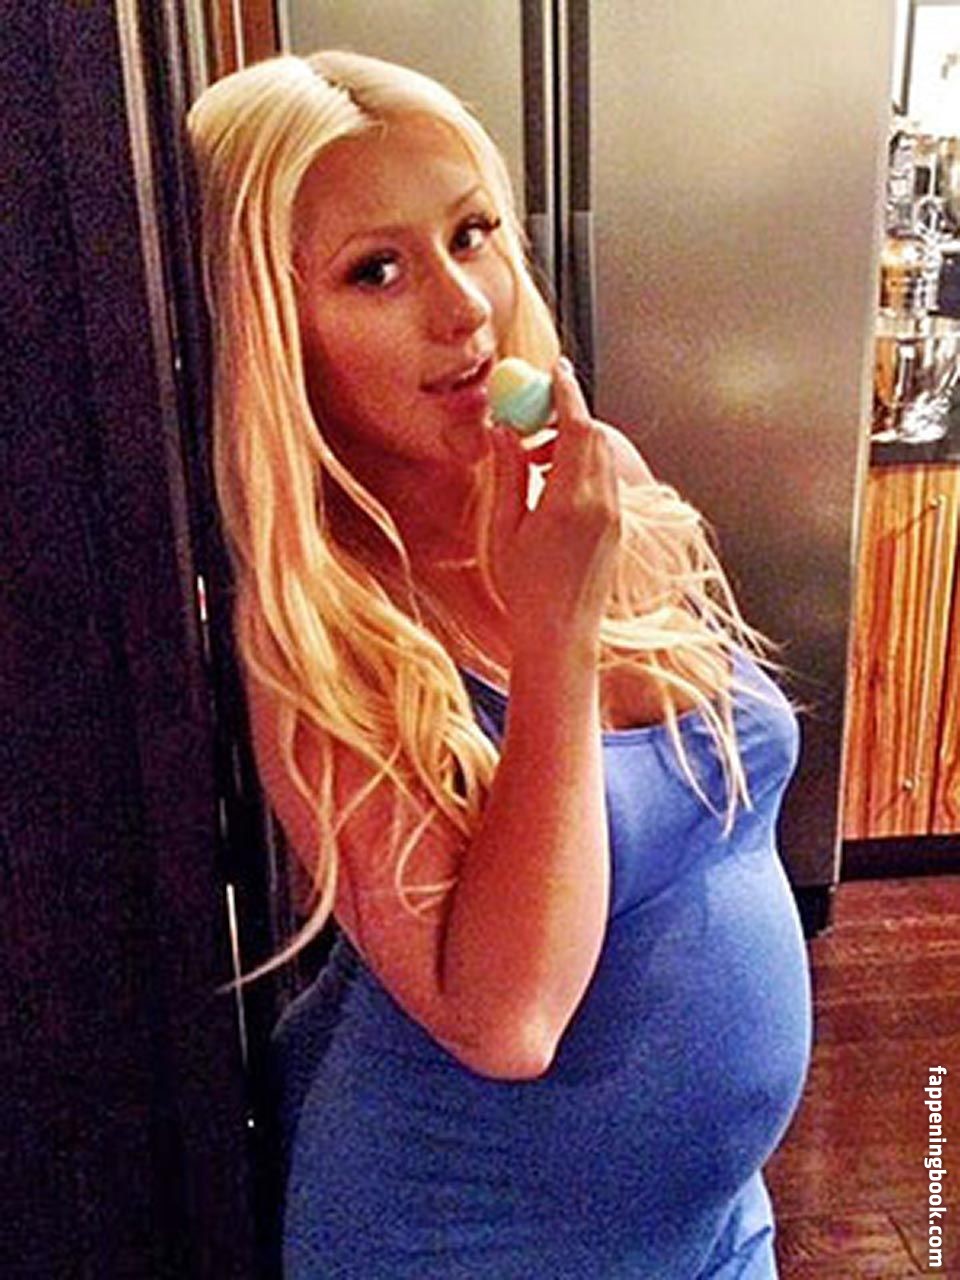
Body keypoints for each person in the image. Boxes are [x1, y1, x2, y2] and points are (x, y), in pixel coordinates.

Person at [187, 50, 812, 1280]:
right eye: (377, 270)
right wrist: (553, 632)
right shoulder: (325, 630)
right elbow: (509, 1018)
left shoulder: (593, 482)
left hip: (712, 1229)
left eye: (470, 233)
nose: (464, 306)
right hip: (464, 1235)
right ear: (275, 333)